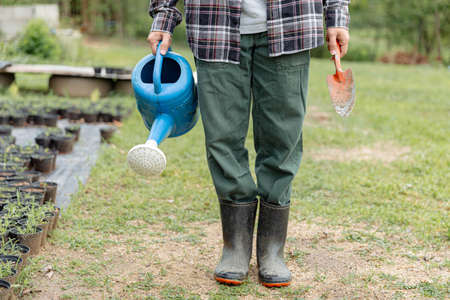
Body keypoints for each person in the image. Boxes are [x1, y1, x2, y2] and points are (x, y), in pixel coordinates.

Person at [148, 0, 350, 287]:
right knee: (222, 137)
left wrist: (337, 15)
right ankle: (236, 246)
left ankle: (272, 249)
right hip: (214, 24)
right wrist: (164, 16)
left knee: (283, 138)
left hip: (290, 24)